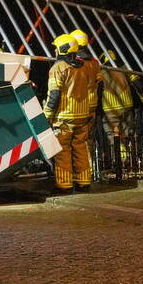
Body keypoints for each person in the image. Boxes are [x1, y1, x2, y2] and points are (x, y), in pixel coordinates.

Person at [43, 30, 101, 193]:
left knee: (62, 152)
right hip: (82, 116)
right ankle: (83, 183)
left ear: (62, 49)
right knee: (81, 149)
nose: (54, 51)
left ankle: (64, 185)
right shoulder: (84, 67)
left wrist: (47, 115)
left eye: (56, 48)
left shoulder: (58, 68)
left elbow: (53, 95)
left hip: (63, 118)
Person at [99, 50, 143, 151]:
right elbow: (139, 85)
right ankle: (131, 158)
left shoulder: (101, 72)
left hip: (110, 108)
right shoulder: (125, 68)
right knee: (128, 132)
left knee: (113, 134)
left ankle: (121, 158)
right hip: (126, 105)